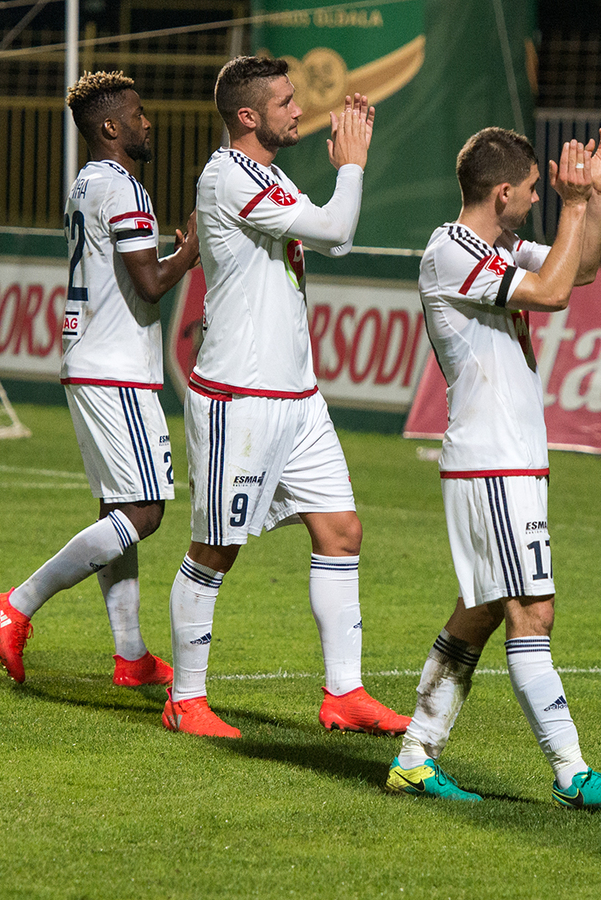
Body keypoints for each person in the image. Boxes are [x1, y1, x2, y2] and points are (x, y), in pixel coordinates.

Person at [385, 126, 601, 811]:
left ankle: (414, 756)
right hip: (493, 461)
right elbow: (553, 294)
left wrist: (590, 199)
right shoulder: (452, 251)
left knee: (479, 612)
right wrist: (572, 203)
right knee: (533, 610)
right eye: (533, 189)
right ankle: (570, 772)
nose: (538, 197)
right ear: (503, 192)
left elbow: (577, 270)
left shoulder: (496, 246)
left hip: (505, 461)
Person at [160, 55, 409, 738]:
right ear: (248, 116)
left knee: (341, 531)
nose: (300, 110)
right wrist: (351, 167)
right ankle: (185, 699)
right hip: (239, 399)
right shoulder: (227, 176)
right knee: (216, 549)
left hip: (298, 399)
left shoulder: (268, 174)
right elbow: (336, 231)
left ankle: (345, 694)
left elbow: (332, 241)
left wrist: (345, 177)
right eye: (285, 101)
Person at [0, 72, 198, 687]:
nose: (147, 122)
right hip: (115, 368)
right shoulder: (123, 188)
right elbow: (149, 283)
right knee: (145, 512)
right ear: (110, 127)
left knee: (118, 510)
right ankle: (16, 604)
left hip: (91, 359)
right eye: (137, 113)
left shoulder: (85, 183)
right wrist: (191, 251)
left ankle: (131, 655)